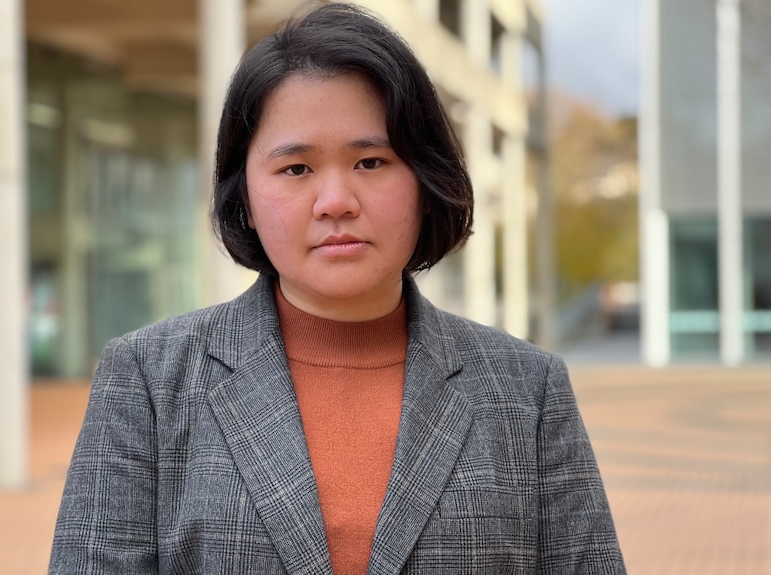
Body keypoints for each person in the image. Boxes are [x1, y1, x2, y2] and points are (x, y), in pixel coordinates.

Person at [49, 4, 626, 574]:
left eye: (371, 162)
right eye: (296, 169)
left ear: (424, 180)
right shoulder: (149, 379)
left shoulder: (527, 390)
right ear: (244, 198)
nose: (336, 202)